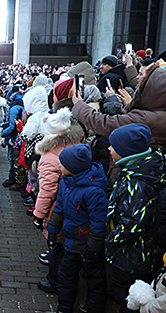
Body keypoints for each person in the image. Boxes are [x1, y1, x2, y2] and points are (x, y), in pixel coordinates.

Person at [105, 123, 165, 312]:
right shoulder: (136, 170)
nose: (108, 148)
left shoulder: (137, 183)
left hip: (130, 256)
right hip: (135, 253)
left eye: (113, 146)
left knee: (123, 296)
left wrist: (111, 240)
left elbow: (132, 224)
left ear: (126, 151)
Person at [46, 144, 108, 313]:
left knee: (94, 280)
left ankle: (93, 307)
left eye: (63, 164)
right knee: (66, 276)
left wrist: (93, 249)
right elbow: (59, 207)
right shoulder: (67, 182)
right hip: (70, 243)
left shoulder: (94, 192)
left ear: (73, 168)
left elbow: (99, 222)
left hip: (87, 245)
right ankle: (64, 305)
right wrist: (52, 229)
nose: (60, 166)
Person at [32, 108, 85, 294]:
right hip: (78, 207)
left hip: (58, 210)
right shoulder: (77, 145)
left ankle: (55, 282)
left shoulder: (50, 155)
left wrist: (38, 215)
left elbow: (47, 191)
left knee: (57, 248)